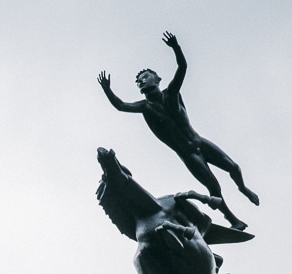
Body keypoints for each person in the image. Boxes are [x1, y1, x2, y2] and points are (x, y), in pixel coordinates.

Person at [98, 32, 259, 230]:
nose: (140, 81)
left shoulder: (171, 93)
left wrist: (176, 47)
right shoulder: (144, 107)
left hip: (199, 142)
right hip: (188, 154)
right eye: (138, 81)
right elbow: (121, 105)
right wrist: (107, 89)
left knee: (233, 167)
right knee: (214, 188)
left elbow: (182, 67)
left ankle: (242, 188)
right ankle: (233, 220)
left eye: (144, 77)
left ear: (157, 79)